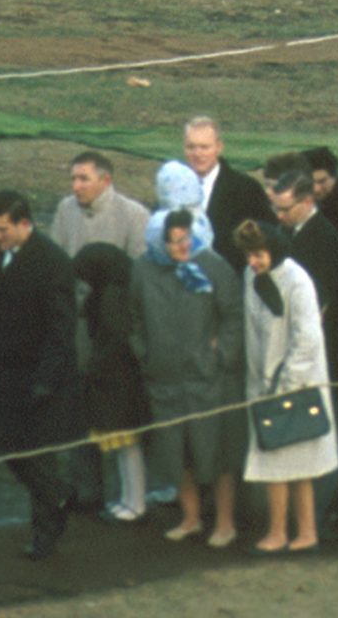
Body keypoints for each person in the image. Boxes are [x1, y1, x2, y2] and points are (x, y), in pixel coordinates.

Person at [130, 205, 245, 546]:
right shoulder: (143, 271)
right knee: (177, 452)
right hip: (165, 379)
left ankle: (225, 523)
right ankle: (191, 517)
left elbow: (234, 316)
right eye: (173, 241)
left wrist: (219, 354)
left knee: (219, 453)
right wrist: (146, 355)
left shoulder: (213, 266)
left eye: (187, 238)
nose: (182, 247)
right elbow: (135, 319)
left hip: (209, 379)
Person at [0, 190, 78, 561]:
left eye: (2, 229)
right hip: (5, 375)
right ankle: (58, 495)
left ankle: (45, 535)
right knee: (7, 448)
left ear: (24, 223)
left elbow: (60, 330)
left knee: (36, 456)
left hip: (37, 380)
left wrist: (44, 382)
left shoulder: (52, 263)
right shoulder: (4, 257)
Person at [233, 221, 338, 553]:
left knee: (299, 462)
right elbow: (252, 332)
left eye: (260, 254)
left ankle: (306, 532)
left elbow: (307, 340)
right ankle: (277, 531)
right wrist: (257, 384)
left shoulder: (297, 280)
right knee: (273, 461)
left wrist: (285, 385)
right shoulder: (251, 277)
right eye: (249, 255)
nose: (254, 261)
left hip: (297, 385)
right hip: (262, 384)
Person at [68, 244, 151, 523]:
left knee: (127, 444)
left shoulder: (112, 299)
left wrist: (96, 366)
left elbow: (115, 340)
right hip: (116, 379)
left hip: (118, 381)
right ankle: (129, 500)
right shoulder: (113, 292)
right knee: (122, 445)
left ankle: (135, 501)